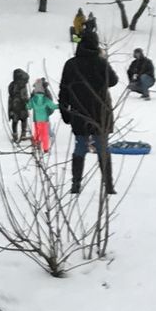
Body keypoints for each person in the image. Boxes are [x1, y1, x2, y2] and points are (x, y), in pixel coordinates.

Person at [57, 30, 118, 195]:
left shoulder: (71, 64)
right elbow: (113, 80)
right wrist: (102, 60)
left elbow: (64, 89)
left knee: (80, 148)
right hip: (100, 112)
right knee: (102, 148)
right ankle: (109, 186)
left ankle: (76, 185)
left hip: (79, 112)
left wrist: (65, 111)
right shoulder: (100, 62)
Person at [28, 78, 57, 154]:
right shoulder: (46, 98)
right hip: (44, 119)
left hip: (36, 119)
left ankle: (35, 143)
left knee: (37, 132)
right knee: (45, 134)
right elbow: (53, 106)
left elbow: (28, 106)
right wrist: (61, 106)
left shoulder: (33, 98)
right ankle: (46, 149)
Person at [7, 69, 29, 142]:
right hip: (22, 106)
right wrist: (27, 101)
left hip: (14, 105)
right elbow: (24, 97)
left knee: (15, 121)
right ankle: (23, 134)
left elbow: (10, 94)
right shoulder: (23, 86)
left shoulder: (12, 85)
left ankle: (15, 135)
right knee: (24, 120)